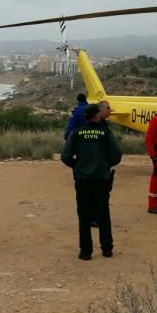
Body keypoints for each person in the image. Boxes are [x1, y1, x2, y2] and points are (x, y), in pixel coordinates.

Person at [61, 103, 122, 260]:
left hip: (82, 179)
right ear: (96, 115)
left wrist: (77, 166)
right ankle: (107, 249)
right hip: (101, 179)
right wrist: (105, 165)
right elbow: (117, 155)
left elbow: (65, 156)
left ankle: (85, 251)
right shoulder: (105, 133)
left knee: (84, 215)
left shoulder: (77, 133)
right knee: (103, 213)